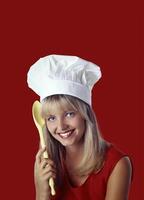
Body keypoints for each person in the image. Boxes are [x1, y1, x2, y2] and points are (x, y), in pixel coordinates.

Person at [27, 54, 132, 200]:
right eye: (51, 118)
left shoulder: (117, 165)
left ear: (85, 114)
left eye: (69, 114)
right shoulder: (46, 166)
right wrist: (41, 193)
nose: (61, 126)